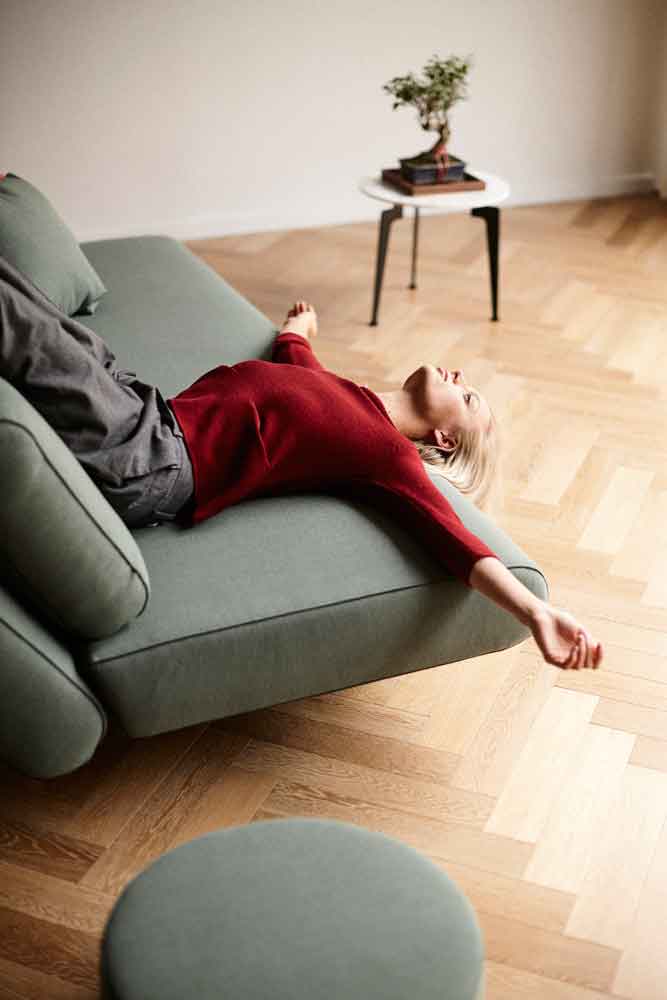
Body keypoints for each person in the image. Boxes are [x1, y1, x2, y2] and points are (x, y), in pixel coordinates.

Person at [0, 257, 602, 672]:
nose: (460, 377)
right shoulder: (347, 395)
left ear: (444, 439)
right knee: (41, 312)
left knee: (26, 331)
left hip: (152, 457)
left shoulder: (384, 453)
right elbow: (294, 358)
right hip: (144, 408)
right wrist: (299, 328)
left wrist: (536, 612)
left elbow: (457, 543)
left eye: (467, 398)